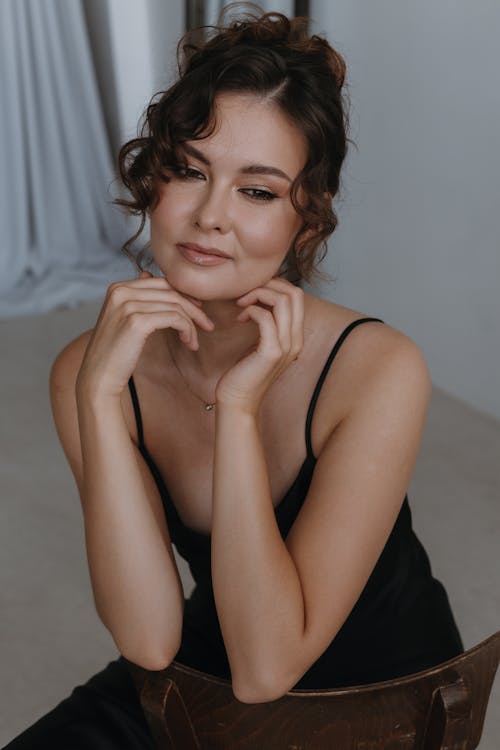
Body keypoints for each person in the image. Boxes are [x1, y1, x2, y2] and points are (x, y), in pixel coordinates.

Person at [4, 6, 464, 748]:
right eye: (188, 170)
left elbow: (268, 670)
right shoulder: (93, 373)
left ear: (307, 221)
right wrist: (95, 394)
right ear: (152, 179)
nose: (210, 215)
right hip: (203, 674)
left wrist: (240, 410)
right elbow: (151, 642)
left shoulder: (376, 368)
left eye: (257, 190)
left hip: (375, 707)